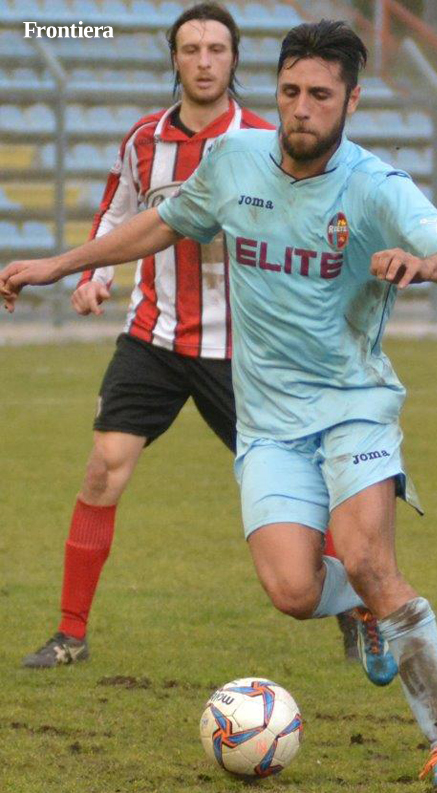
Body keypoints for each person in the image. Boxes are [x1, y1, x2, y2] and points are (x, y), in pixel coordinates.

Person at [2, 20, 437, 786]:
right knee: (293, 590)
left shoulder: (373, 184)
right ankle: (365, 606)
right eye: (290, 91)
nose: (302, 107)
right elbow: (159, 223)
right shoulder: (233, 161)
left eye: (320, 94)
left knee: (368, 556)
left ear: (352, 100)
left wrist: (423, 265)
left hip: (353, 406)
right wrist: (60, 265)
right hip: (267, 421)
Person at [11, 2, 365, 670]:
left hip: (243, 350)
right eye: (191, 49)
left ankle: (355, 608)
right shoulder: (143, 140)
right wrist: (93, 277)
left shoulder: (265, 141)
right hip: (154, 336)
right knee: (102, 468)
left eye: (216, 50)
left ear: (235, 60)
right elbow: (117, 214)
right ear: (173, 59)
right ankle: (70, 634)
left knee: (299, 490)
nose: (204, 62)